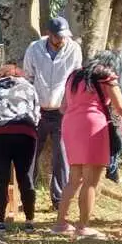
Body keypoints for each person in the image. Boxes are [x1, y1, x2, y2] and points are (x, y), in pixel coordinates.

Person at [54, 52, 122, 238]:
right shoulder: (106, 76)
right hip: (93, 125)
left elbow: (63, 107)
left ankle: (60, 224)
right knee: (91, 181)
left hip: (70, 125)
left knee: (74, 178)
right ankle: (82, 227)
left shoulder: (74, 76)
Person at [23, 17, 82, 210]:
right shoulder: (34, 49)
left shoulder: (74, 49)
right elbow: (28, 78)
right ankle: (27, 196)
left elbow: (75, 78)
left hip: (61, 111)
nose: (62, 40)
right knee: (30, 155)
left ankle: (59, 200)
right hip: (37, 110)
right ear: (49, 34)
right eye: (58, 36)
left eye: (64, 36)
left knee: (61, 157)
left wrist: (70, 105)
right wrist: (30, 107)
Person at [0, 63, 40, 231]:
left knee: (1, 179)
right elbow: (36, 113)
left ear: (1, 74)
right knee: (25, 177)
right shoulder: (29, 87)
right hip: (25, 133)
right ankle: (29, 221)